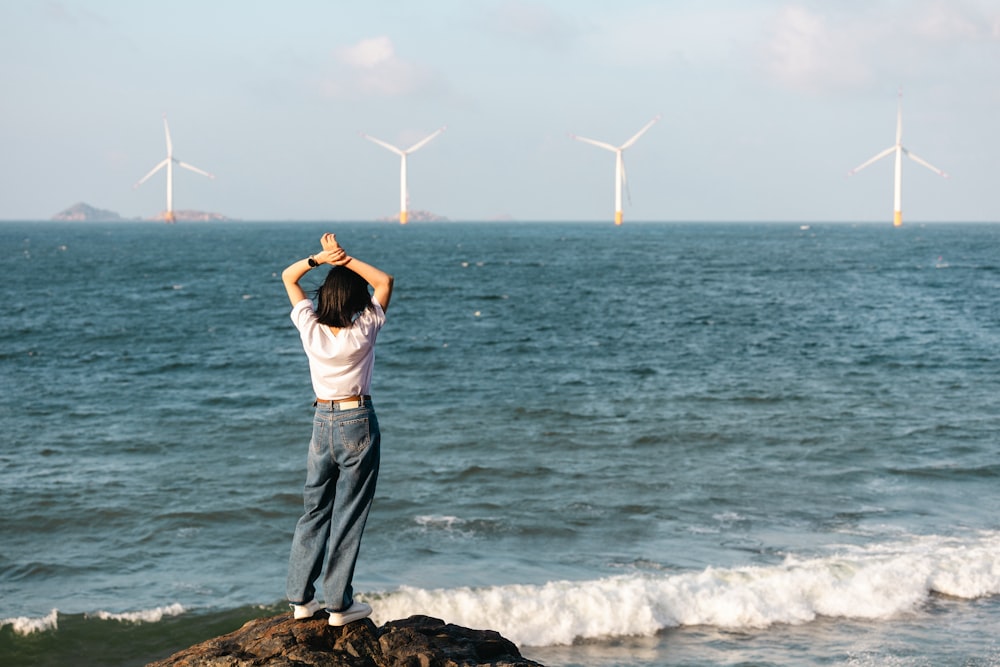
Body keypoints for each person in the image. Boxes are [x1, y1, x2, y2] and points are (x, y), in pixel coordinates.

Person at [281, 233, 394, 626]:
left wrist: (320, 259)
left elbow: (288, 278)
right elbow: (385, 282)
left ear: (326, 298)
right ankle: (339, 605)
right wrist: (345, 260)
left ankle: (300, 599)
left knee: (314, 509)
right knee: (349, 512)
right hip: (357, 419)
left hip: (321, 421)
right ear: (355, 300)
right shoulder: (364, 328)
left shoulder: (310, 328)